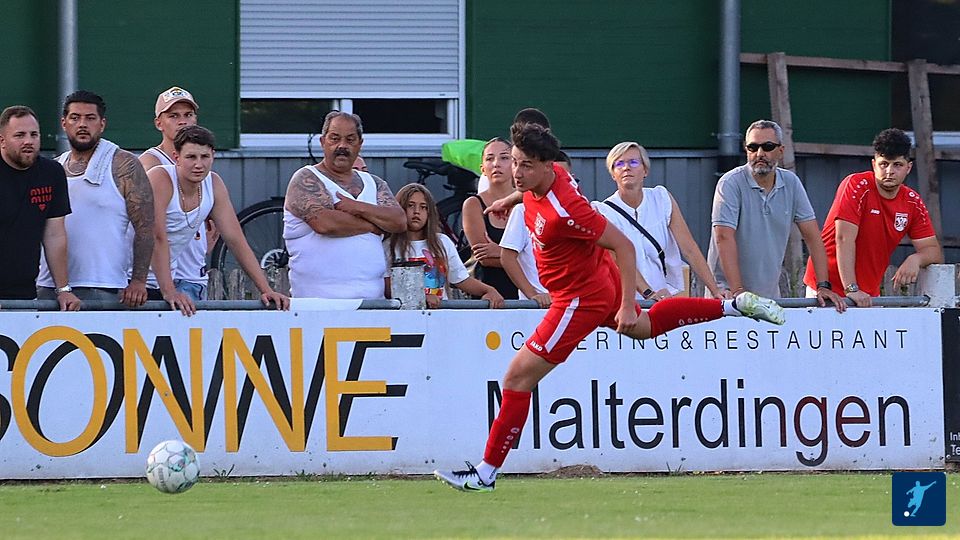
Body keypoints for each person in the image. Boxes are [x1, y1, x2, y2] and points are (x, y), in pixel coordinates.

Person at [434, 123, 785, 492]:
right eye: (515, 162)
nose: (516, 173)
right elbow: (537, 191)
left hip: (577, 299)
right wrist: (511, 200)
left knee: (516, 379)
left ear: (546, 166)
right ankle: (732, 307)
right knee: (644, 328)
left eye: (525, 165)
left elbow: (624, 246)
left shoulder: (566, 210)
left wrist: (628, 304)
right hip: (596, 280)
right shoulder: (551, 179)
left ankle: (486, 473)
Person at [147, 125, 290, 314]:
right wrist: (170, 291)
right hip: (132, 280)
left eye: (204, 157)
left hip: (167, 278)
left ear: (213, 156)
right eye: (191, 157)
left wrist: (266, 290)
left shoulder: (213, 183)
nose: (199, 164)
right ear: (176, 157)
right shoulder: (160, 178)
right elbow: (156, 236)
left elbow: (235, 239)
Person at [706, 120, 845, 312]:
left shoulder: (791, 183)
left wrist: (823, 286)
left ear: (781, 151)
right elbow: (723, 237)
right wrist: (739, 292)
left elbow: (813, 237)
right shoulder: (730, 183)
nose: (759, 153)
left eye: (768, 146)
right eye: (752, 147)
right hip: (727, 295)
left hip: (769, 297)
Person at [36, 90, 154, 307]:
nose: (82, 124)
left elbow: (146, 227)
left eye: (90, 118)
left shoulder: (124, 164)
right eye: (75, 118)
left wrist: (139, 280)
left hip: (103, 286)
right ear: (64, 123)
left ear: (102, 124)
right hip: (49, 286)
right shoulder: (53, 168)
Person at [801, 128, 942, 307]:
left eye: (897, 165)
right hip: (828, 289)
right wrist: (851, 289)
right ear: (874, 165)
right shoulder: (856, 185)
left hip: (868, 294)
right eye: (884, 164)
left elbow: (933, 251)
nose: (889, 171)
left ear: (909, 167)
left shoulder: (912, 201)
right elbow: (844, 239)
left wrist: (916, 259)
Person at [283, 111, 406, 299]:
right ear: (323, 142)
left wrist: (357, 207)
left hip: (373, 305)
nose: (342, 146)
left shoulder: (375, 183)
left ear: (360, 144)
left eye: (350, 139)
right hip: (317, 305)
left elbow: (399, 221)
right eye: (334, 138)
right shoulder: (306, 178)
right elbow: (326, 224)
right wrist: (375, 225)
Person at [596, 141, 724, 301]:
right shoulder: (603, 211)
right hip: (625, 301)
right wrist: (649, 294)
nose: (626, 168)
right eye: (619, 164)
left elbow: (689, 248)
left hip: (663, 297)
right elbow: (618, 259)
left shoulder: (661, 198)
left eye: (633, 162)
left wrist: (715, 290)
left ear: (645, 170)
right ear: (613, 174)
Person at [139, 86, 216, 300]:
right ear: (159, 123)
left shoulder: (199, 162)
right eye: (173, 116)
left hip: (193, 272)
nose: (183, 121)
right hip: (163, 281)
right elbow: (153, 230)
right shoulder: (151, 164)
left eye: (188, 115)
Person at [0, 106, 80, 310]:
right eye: (19, 135)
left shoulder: (51, 172)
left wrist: (63, 290)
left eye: (34, 135)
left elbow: (54, 235)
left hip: (24, 294)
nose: (28, 141)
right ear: (2, 140)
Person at [387, 183, 504, 308]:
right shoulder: (388, 246)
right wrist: (421, 297)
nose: (417, 211)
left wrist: (489, 290)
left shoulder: (442, 242)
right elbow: (386, 286)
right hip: (403, 316)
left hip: (440, 315)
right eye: (410, 205)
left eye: (423, 207)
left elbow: (461, 279)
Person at [462, 138, 519, 300]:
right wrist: (523, 257)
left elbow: (542, 256)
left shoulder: (529, 201)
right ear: (483, 169)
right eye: (489, 159)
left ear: (515, 164)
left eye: (504, 158)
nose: (496, 164)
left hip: (529, 292)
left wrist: (500, 252)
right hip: (490, 296)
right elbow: (485, 258)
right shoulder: (473, 204)